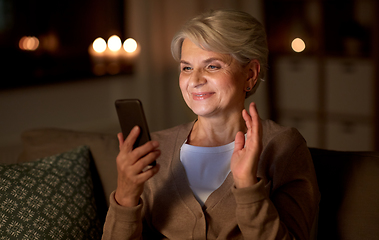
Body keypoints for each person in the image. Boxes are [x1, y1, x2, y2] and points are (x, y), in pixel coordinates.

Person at [102, 9, 320, 240]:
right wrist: (126, 195)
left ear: (250, 74)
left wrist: (247, 186)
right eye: (186, 68)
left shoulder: (284, 146)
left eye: (212, 66)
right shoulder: (155, 150)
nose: (195, 80)